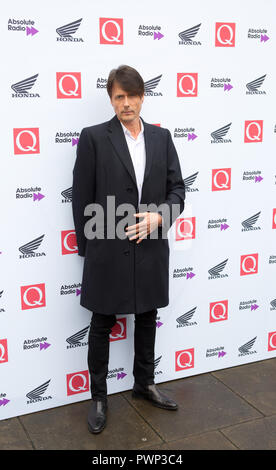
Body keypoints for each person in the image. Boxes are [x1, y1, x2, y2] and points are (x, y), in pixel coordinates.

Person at [72, 65, 186, 434]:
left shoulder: (161, 137)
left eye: (132, 95)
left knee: (148, 316)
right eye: (119, 96)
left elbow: (178, 191)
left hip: (150, 246)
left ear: (142, 96)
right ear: (111, 99)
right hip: (106, 249)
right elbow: (81, 197)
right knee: (102, 323)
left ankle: (144, 384)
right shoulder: (93, 138)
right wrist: (90, 250)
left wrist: (159, 218)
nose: (126, 103)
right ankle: (99, 398)